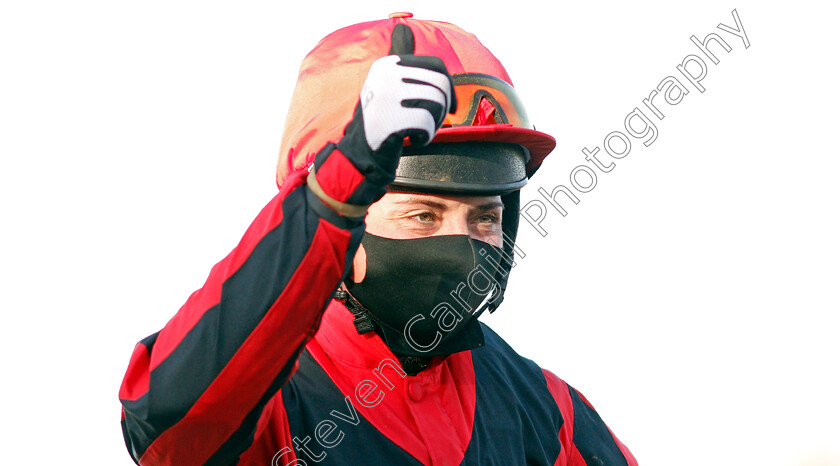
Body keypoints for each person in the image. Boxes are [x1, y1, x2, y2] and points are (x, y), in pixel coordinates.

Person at [119, 13, 638, 466]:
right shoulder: (271, 398)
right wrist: (338, 184)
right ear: (346, 217)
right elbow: (168, 427)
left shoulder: (547, 413)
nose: (460, 248)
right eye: (422, 214)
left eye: (484, 216)